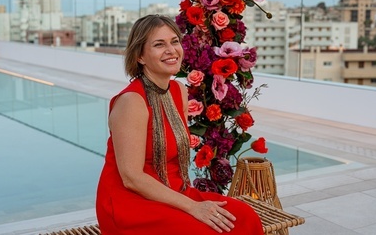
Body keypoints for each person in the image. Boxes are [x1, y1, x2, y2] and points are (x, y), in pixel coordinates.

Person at [96, 14, 263, 235]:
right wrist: (193, 207)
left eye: (174, 41)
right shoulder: (132, 102)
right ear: (140, 56)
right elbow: (132, 178)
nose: (171, 50)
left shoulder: (179, 91)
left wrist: (191, 202)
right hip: (131, 204)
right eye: (158, 44)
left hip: (174, 192)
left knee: (244, 217)